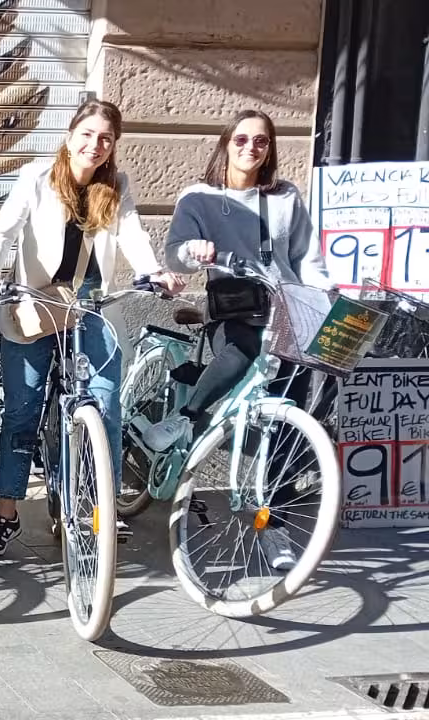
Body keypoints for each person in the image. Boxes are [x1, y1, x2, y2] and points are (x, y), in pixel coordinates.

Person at [0, 99, 184, 558]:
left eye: (105, 138)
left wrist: (154, 271)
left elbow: (133, 235)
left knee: (103, 405)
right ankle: (6, 514)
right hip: (34, 306)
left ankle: (95, 509)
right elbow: (2, 231)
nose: (95, 145)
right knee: (23, 414)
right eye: (87, 134)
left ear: (113, 145)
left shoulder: (115, 184)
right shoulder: (36, 178)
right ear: (70, 136)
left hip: (90, 307)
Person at [141, 109, 335, 570]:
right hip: (234, 304)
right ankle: (187, 418)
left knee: (286, 423)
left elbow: (306, 256)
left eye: (261, 142)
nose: (251, 148)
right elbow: (178, 252)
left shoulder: (285, 197)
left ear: (269, 150)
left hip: (286, 307)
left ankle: (274, 527)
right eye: (242, 139)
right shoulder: (200, 197)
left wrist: (324, 296)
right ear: (226, 143)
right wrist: (195, 251)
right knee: (243, 346)